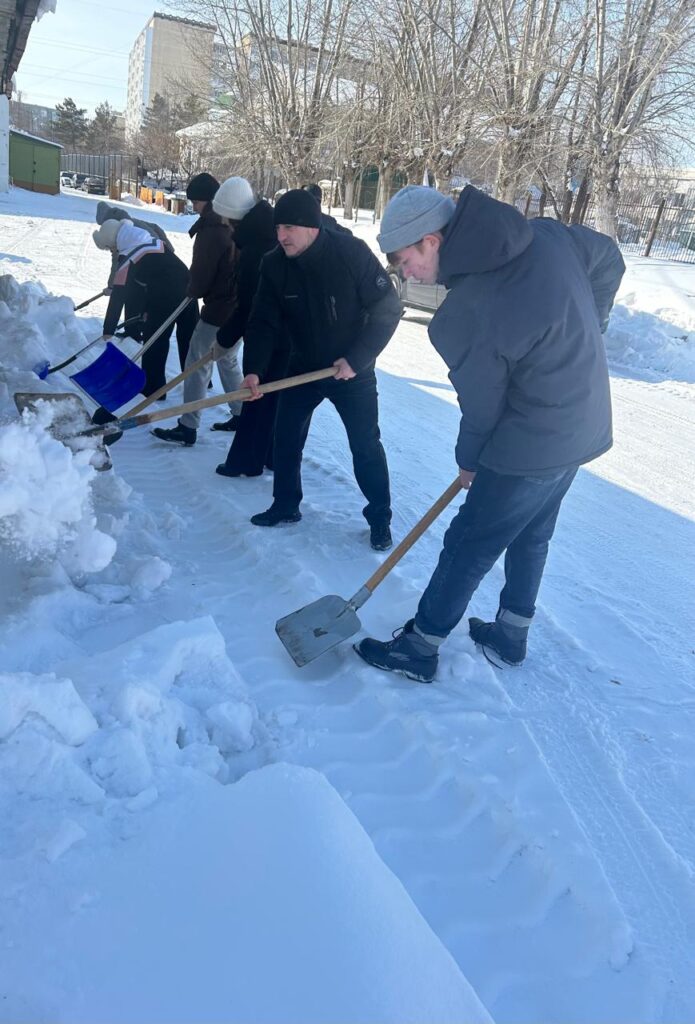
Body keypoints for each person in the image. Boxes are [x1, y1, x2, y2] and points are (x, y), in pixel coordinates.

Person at [353, 184, 625, 681]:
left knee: (468, 541)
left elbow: (481, 408)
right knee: (532, 532)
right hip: (582, 425)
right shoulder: (547, 235)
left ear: (432, 241)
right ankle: (511, 633)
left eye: (404, 260)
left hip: (531, 442)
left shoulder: (463, 313)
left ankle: (419, 647)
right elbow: (609, 257)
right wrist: (594, 322)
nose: (404, 274)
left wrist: (470, 461)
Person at [238, 189, 401, 550]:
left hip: (352, 371)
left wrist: (356, 359)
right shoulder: (274, 264)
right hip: (303, 367)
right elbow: (262, 321)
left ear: (311, 227)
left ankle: (380, 518)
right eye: (278, 228)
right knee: (286, 436)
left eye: (289, 228)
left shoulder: (350, 253)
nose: (281, 236)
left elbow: (388, 308)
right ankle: (285, 505)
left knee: (365, 444)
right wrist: (254, 370)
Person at [152, 173, 243, 446]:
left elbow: (202, 273)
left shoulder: (211, 230)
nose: (193, 206)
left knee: (196, 363)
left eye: (195, 201)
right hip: (238, 306)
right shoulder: (233, 222)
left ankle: (187, 425)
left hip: (219, 310)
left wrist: (193, 290)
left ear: (206, 200)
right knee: (227, 359)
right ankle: (242, 414)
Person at [208, 182, 283, 475]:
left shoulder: (255, 250)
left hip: (266, 331)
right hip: (285, 332)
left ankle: (245, 462)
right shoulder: (270, 231)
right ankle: (271, 456)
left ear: (233, 217)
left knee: (255, 394)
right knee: (273, 397)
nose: (224, 224)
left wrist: (223, 340)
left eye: (225, 218)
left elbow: (249, 306)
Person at [93, 218, 197, 397]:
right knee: (189, 336)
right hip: (190, 285)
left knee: (155, 338)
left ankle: (153, 387)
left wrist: (108, 329)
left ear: (114, 241)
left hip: (167, 294)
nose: (112, 251)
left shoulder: (129, 257)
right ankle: (198, 382)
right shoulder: (147, 239)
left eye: (110, 248)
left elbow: (118, 296)